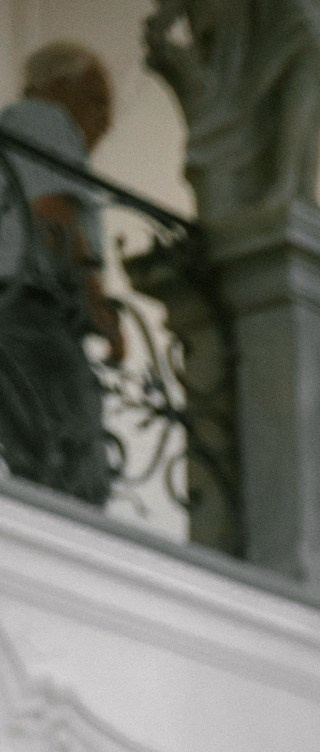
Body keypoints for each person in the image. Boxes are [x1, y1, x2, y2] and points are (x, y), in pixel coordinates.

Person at [0, 42, 123, 507]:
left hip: (14, 311)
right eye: (96, 99)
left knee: (39, 454)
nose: (107, 120)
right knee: (75, 461)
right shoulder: (41, 118)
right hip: (29, 310)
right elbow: (54, 211)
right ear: (57, 87)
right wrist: (99, 305)